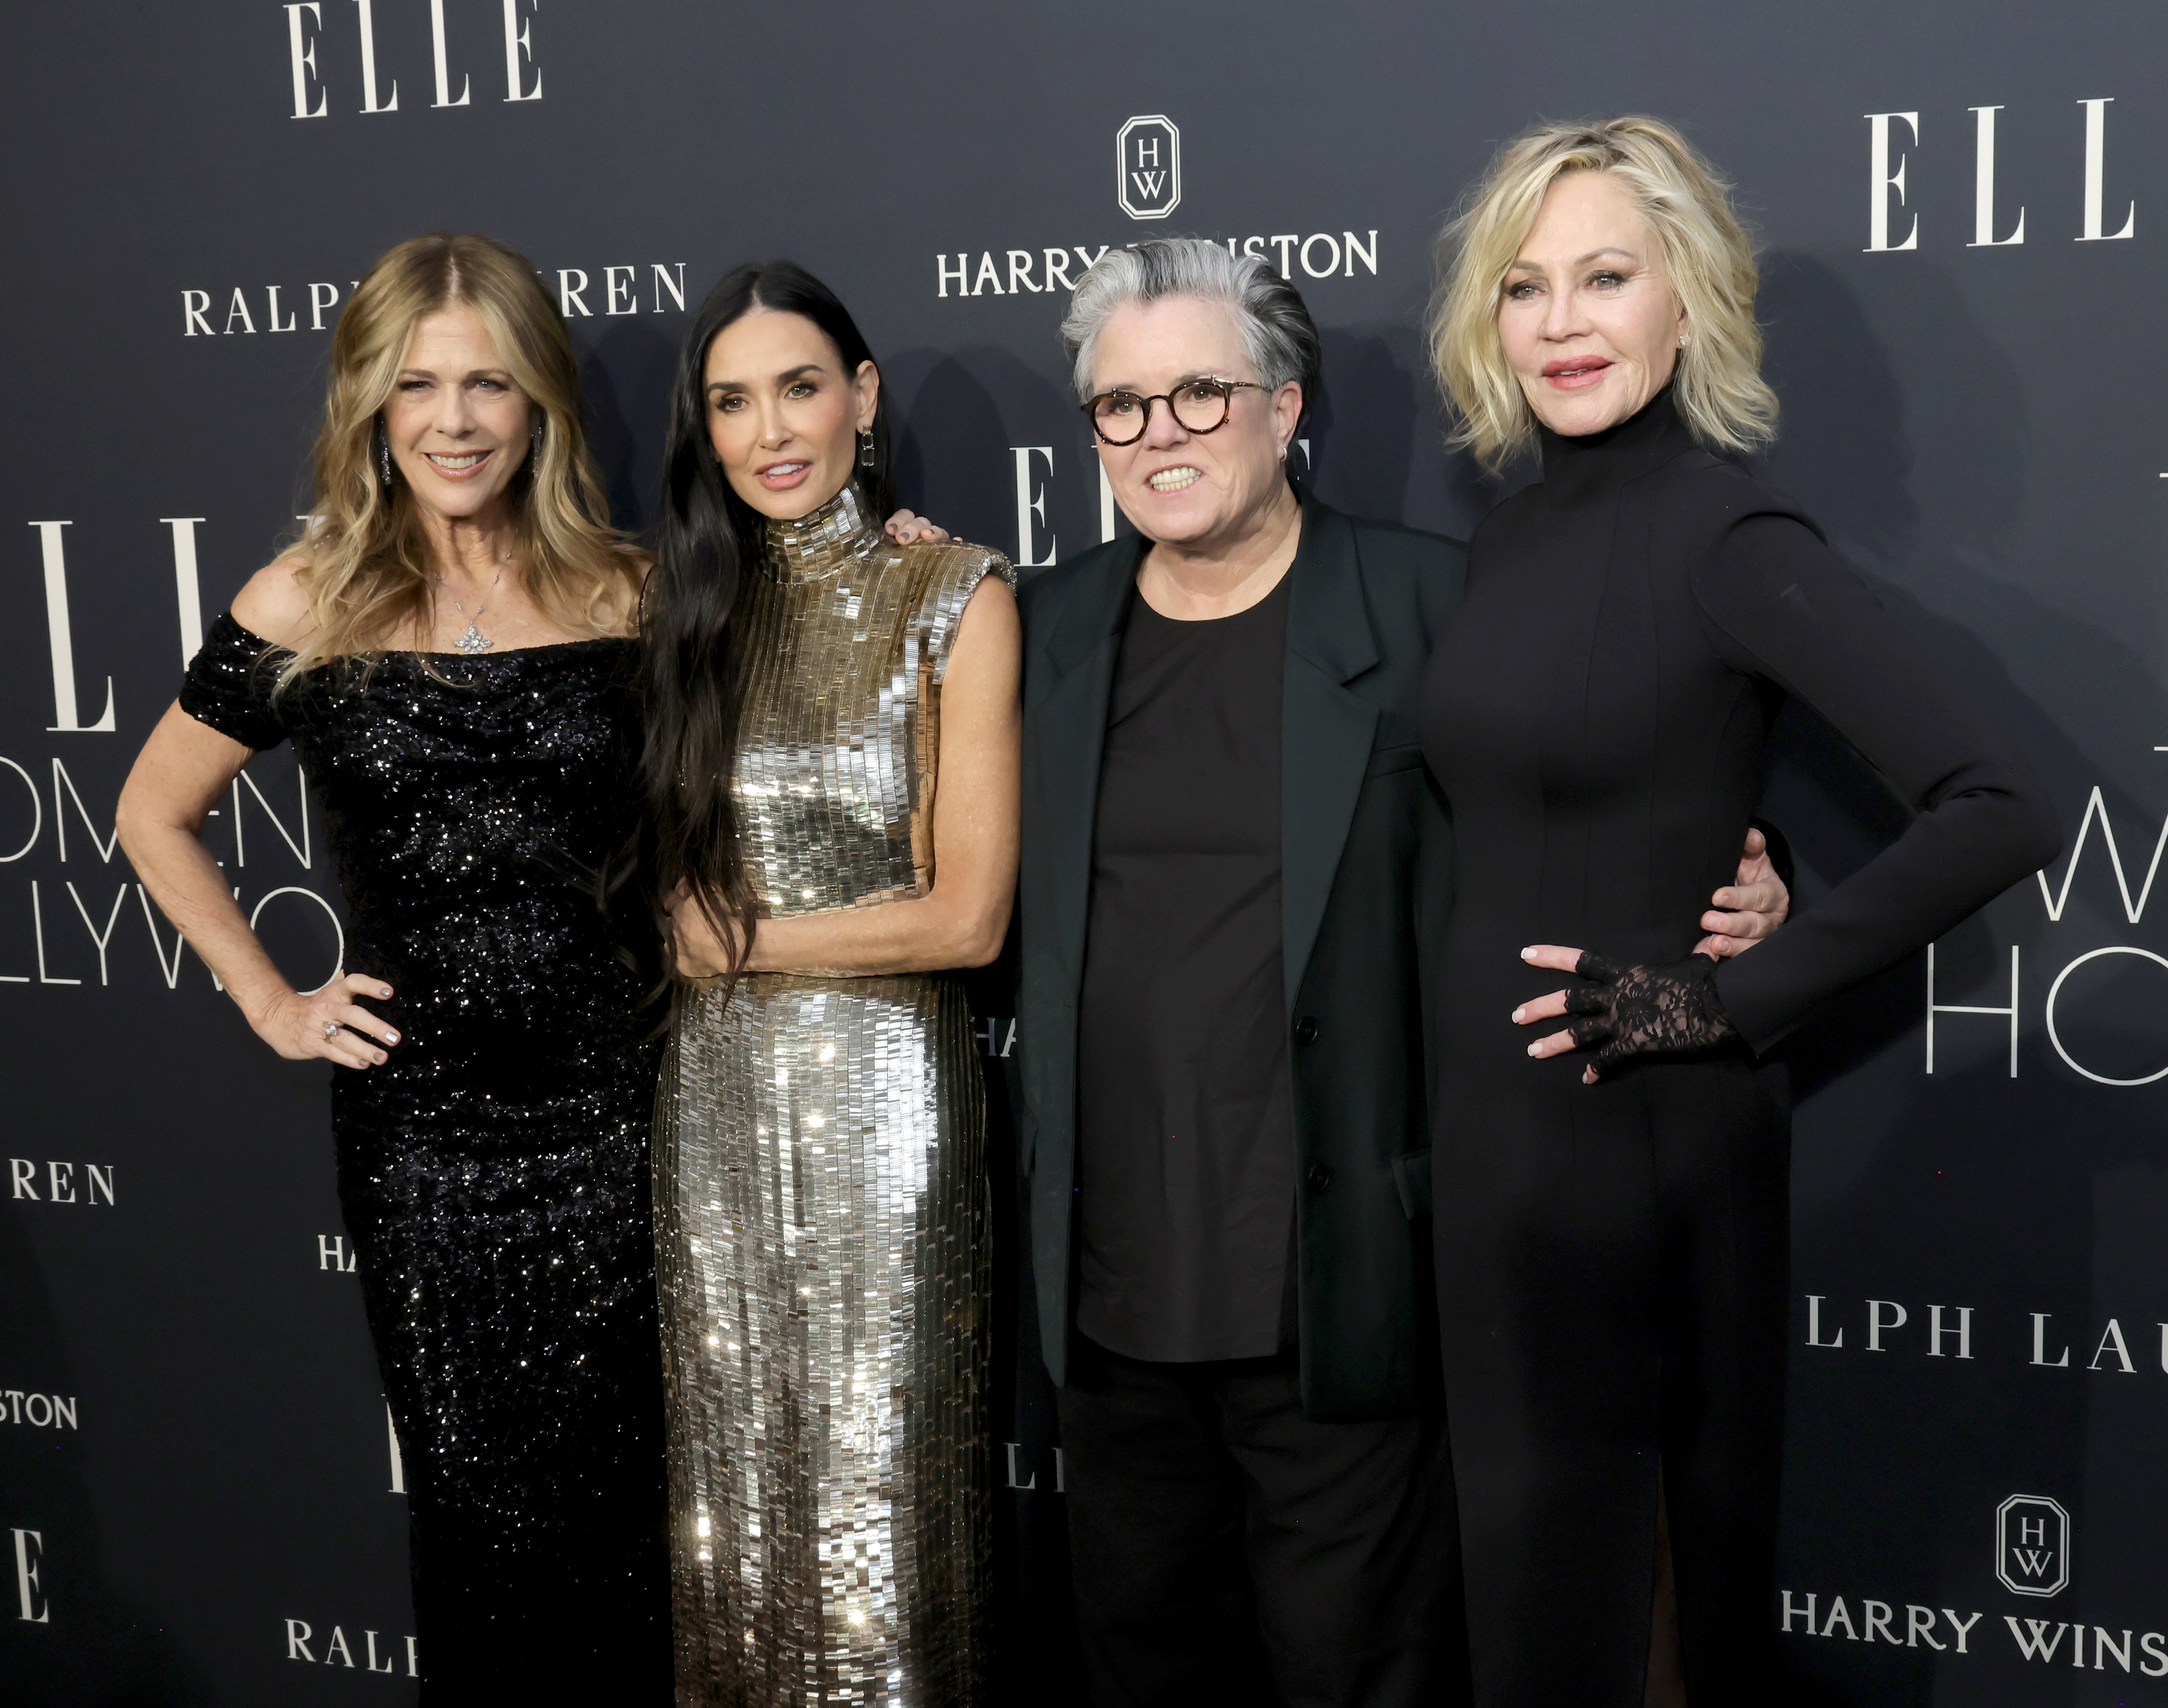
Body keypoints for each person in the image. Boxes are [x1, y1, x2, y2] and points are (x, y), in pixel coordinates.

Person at [1014, 239, 1789, 1708]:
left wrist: (1762, 869)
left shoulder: (1433, 603)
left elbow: (1612, 769)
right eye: (1120, 407)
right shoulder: (1041, 631)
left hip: (1344, 1293)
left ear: (1287, 404)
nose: (1157, 436)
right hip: (1108, 1315)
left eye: (1197, 394)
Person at [1420, 117, 2061, 1705]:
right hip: (1500, 1162)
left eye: (1606, 277)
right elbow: (1606, 767)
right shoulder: (1506, 534)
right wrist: (1750, 833)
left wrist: (1722, 999)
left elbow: (2004, 800)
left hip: (1644, 1151)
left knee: (1636, 1611)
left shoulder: (1728, 533)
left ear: (1688, 302)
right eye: (1526, 285)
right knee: (1530, 1617)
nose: (1562, 320)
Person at [114, 232, 672, 1697]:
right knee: (483, 1538)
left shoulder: (633, 594)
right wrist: (269, 995)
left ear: (539, 398)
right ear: (370, 402)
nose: (456, 418)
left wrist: (910, 551)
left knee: (632, 1539)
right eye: (418, 382)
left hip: (628, 1129)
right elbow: (151, 808)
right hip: (427, 1147)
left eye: (489, 380)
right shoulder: (308, 597)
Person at [641, 261, 1020, 1705]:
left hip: (892, 1116)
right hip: (712, 1117)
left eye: (801, 386)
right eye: (731, 401)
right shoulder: (677, 610)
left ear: (863, 397)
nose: (771, 430)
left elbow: (969, 915)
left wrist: (727, 947)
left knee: (889, 1526)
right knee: (728, 1521)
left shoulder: (956, 590)